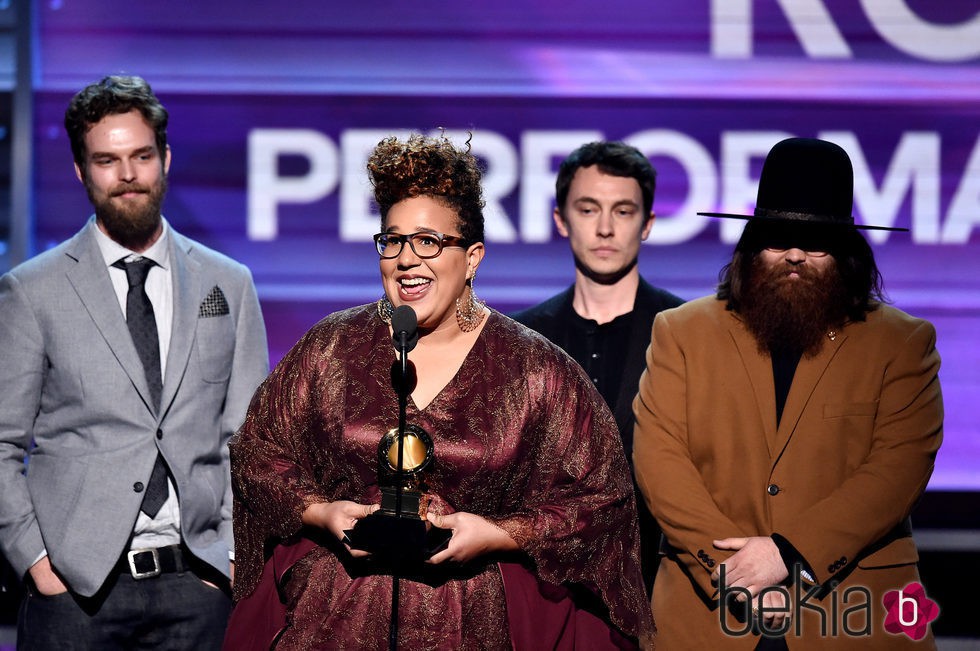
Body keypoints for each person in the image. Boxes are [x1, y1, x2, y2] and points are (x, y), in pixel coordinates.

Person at [225, 133, 654, 650]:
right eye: (392, 240)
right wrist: (323, 512)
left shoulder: (533, 367)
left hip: (474, 622)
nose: (406, 259)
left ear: (471, 257)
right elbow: (258, 453)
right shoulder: (331, 347)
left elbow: (599, 501)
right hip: (336, 617)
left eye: (428, 241)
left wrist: (498, 533)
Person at [632, 137, 942, 649]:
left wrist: (791, 552)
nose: (795, 255)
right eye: (778, 238)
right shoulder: (681, 331)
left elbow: (898, 468)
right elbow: (660, 460)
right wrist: (734, 567)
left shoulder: (901, 342)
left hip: (851, 612)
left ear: (845, 253)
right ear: (753, 245)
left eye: (815, 242)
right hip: (709, 611)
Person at [0, 75, 269, 649]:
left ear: (164, 158)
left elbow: (249, 439)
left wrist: (231, 556)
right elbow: (0, 442)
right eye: (107, 160)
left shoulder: (228, 284)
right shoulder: (31, 291)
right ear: (81, 170)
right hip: (75, 594)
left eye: (141, 156)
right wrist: (35, 560)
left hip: (198, 584)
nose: (127, 175)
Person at [512, 141, 683, 593]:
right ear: (560, 220)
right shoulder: (521, 339)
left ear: (646, 224)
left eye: (623, 212)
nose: (605, 228)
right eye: (588, 210)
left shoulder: (688, 335)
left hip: (655, 586)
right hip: (545, 589)